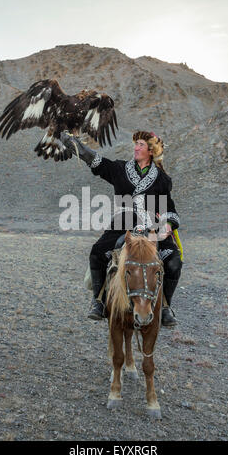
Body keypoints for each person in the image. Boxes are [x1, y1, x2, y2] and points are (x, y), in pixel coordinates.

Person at [60, 130, 182, 327]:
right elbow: (98, 162)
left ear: (150, 150)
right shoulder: (120, 169)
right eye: (136, 144)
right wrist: (77, 147)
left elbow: (169, 208)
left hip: (152, 227)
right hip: (122, 225)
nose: (136, 148)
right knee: (97, 253)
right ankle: (98, 301)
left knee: (174, 260)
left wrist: (167, 226)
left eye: (140, 144)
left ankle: (165, 307)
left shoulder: (162, 179)